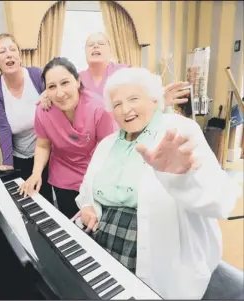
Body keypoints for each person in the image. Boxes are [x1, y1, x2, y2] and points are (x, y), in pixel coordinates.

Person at [72, 67, 242, 299]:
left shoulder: (179, 130)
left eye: (134, 98)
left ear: (154, 99)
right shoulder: (108, 144)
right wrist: (88, 205)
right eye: (118, 103)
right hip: (105, 245)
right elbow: (88, 188)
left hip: (158, 260)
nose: (126, 109)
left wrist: (183, 177)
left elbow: (223, 202)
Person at [19, 57, 118, 218]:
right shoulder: (43, 111)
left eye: (65, 83)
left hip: (94, 175)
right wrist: (36, 173)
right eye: (52, 86)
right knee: (70, 224)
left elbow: (108, 150)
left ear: (77, 82)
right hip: (63, 175)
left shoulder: (98, 109)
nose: (59, 93)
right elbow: (43, 145)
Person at [40, 32, 190, 110]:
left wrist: (159, 98)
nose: (95, 47)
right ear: (85, 52)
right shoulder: (77, 79)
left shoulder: (125, 72)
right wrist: (46, 95)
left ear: (110, 51)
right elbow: (60, 93)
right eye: (90, 45)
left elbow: (146, 93)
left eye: (101, 44)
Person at [0, 33, 53, 203]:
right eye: (2, 52)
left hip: (48, 151)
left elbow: (55, 101)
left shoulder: (36, 74)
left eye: (12, 49)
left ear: (19, 55)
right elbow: (2, 126)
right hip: (20, 156)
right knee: (28, 202)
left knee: (49, 202)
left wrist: (48, 94)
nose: (8, 54)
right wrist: (8, 163)